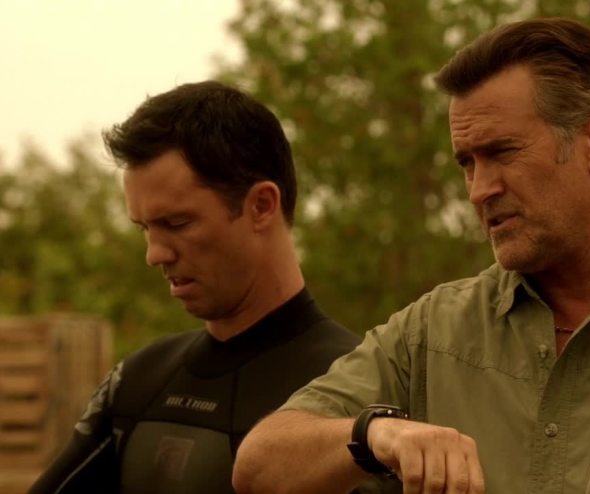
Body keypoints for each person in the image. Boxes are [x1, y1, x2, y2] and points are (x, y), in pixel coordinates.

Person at [231, 17, 590, 494]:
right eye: (467, 163)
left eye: (502, 152)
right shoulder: (431, 335)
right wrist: (376, 434)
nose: (479, 190)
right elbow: (259, 465)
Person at [30, 81, 362, 494]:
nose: (154, 254)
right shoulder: (138, 383)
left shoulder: (357, 385)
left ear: (261, 206)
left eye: (177, 223)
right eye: (144, 228)